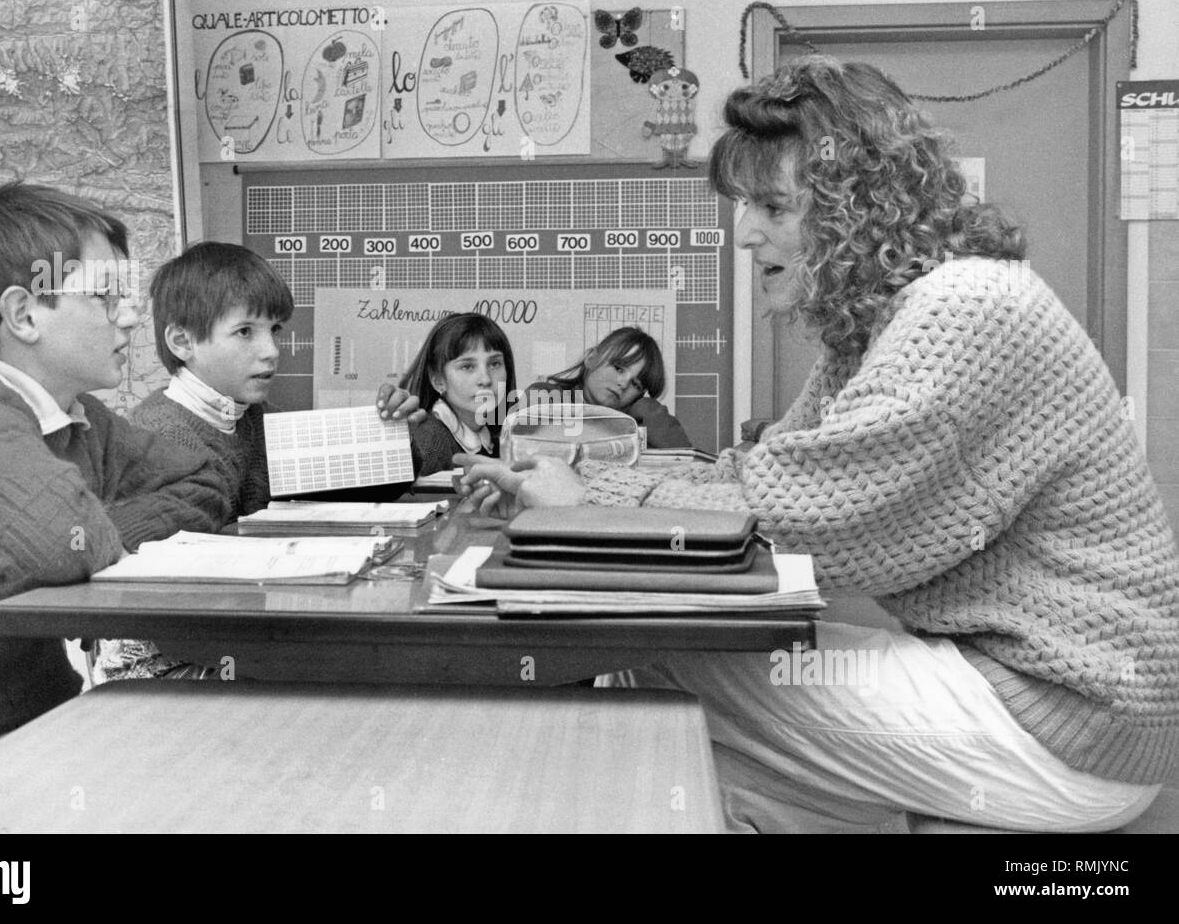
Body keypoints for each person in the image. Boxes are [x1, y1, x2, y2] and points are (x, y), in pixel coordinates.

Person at [457, 55, 1179, 833]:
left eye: (774, 205)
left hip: (1069, 722)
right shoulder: (880, 324)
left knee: (640, 652)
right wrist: (572, 478)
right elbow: (756, 472)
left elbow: (805, 521)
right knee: (681, 765)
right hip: (1026, 697)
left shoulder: (965, 308)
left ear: (860, 209)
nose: (745, 231)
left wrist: (588, 505)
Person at [0, 182, 229, 804]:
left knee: (221, 758)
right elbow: (55, 551)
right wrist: (89, 531)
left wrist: (98, 528)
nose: (128, 314)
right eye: (103, 296)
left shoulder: (79, 417)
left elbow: (205, 479)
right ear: (23, 315)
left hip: (30, 722)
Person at [97, 241, 422, 681]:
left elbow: (332, 495)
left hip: (237, 638)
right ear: (183, 341)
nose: (271, 350)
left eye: (276, 330)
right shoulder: (159, 437)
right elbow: (176, 595)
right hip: (162, 663)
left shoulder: (256, 418)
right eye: (245, 332)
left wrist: (393, 436)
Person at [521, 326, 692, 449]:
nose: (623, 383)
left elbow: (687, 462)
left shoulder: (635, 421)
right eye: (618, 368)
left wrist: (649, 410)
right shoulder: (548, 395)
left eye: (635, 384)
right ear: (591, 359)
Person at [398, 313, 516, 476]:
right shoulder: (430, 438)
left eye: (495, 364)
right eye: (467, 366)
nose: (485, 379)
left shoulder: (498, 437)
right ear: (438, 380)